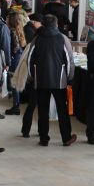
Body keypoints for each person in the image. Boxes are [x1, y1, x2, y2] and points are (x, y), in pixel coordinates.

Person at [27, 14, 76, 146]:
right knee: (62, 110)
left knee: (43, 109)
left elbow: (29, 59)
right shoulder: (62, 38)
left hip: (40, 80)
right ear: (56, 24)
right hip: (59, 81)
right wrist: (70, 78)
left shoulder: (37, 39)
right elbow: (69, 61)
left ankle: (44, 138)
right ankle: (66, 138)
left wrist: (32, 77)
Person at [5, 11, 26, 115]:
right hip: (19, 56)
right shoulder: (18, 30)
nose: (6, 20)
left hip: (15, 58)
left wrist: (10, 57)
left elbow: (15, 46)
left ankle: (16, 106)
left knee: (13, 81)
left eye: (8, 18)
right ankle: (16, 104)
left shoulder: (12, 31)